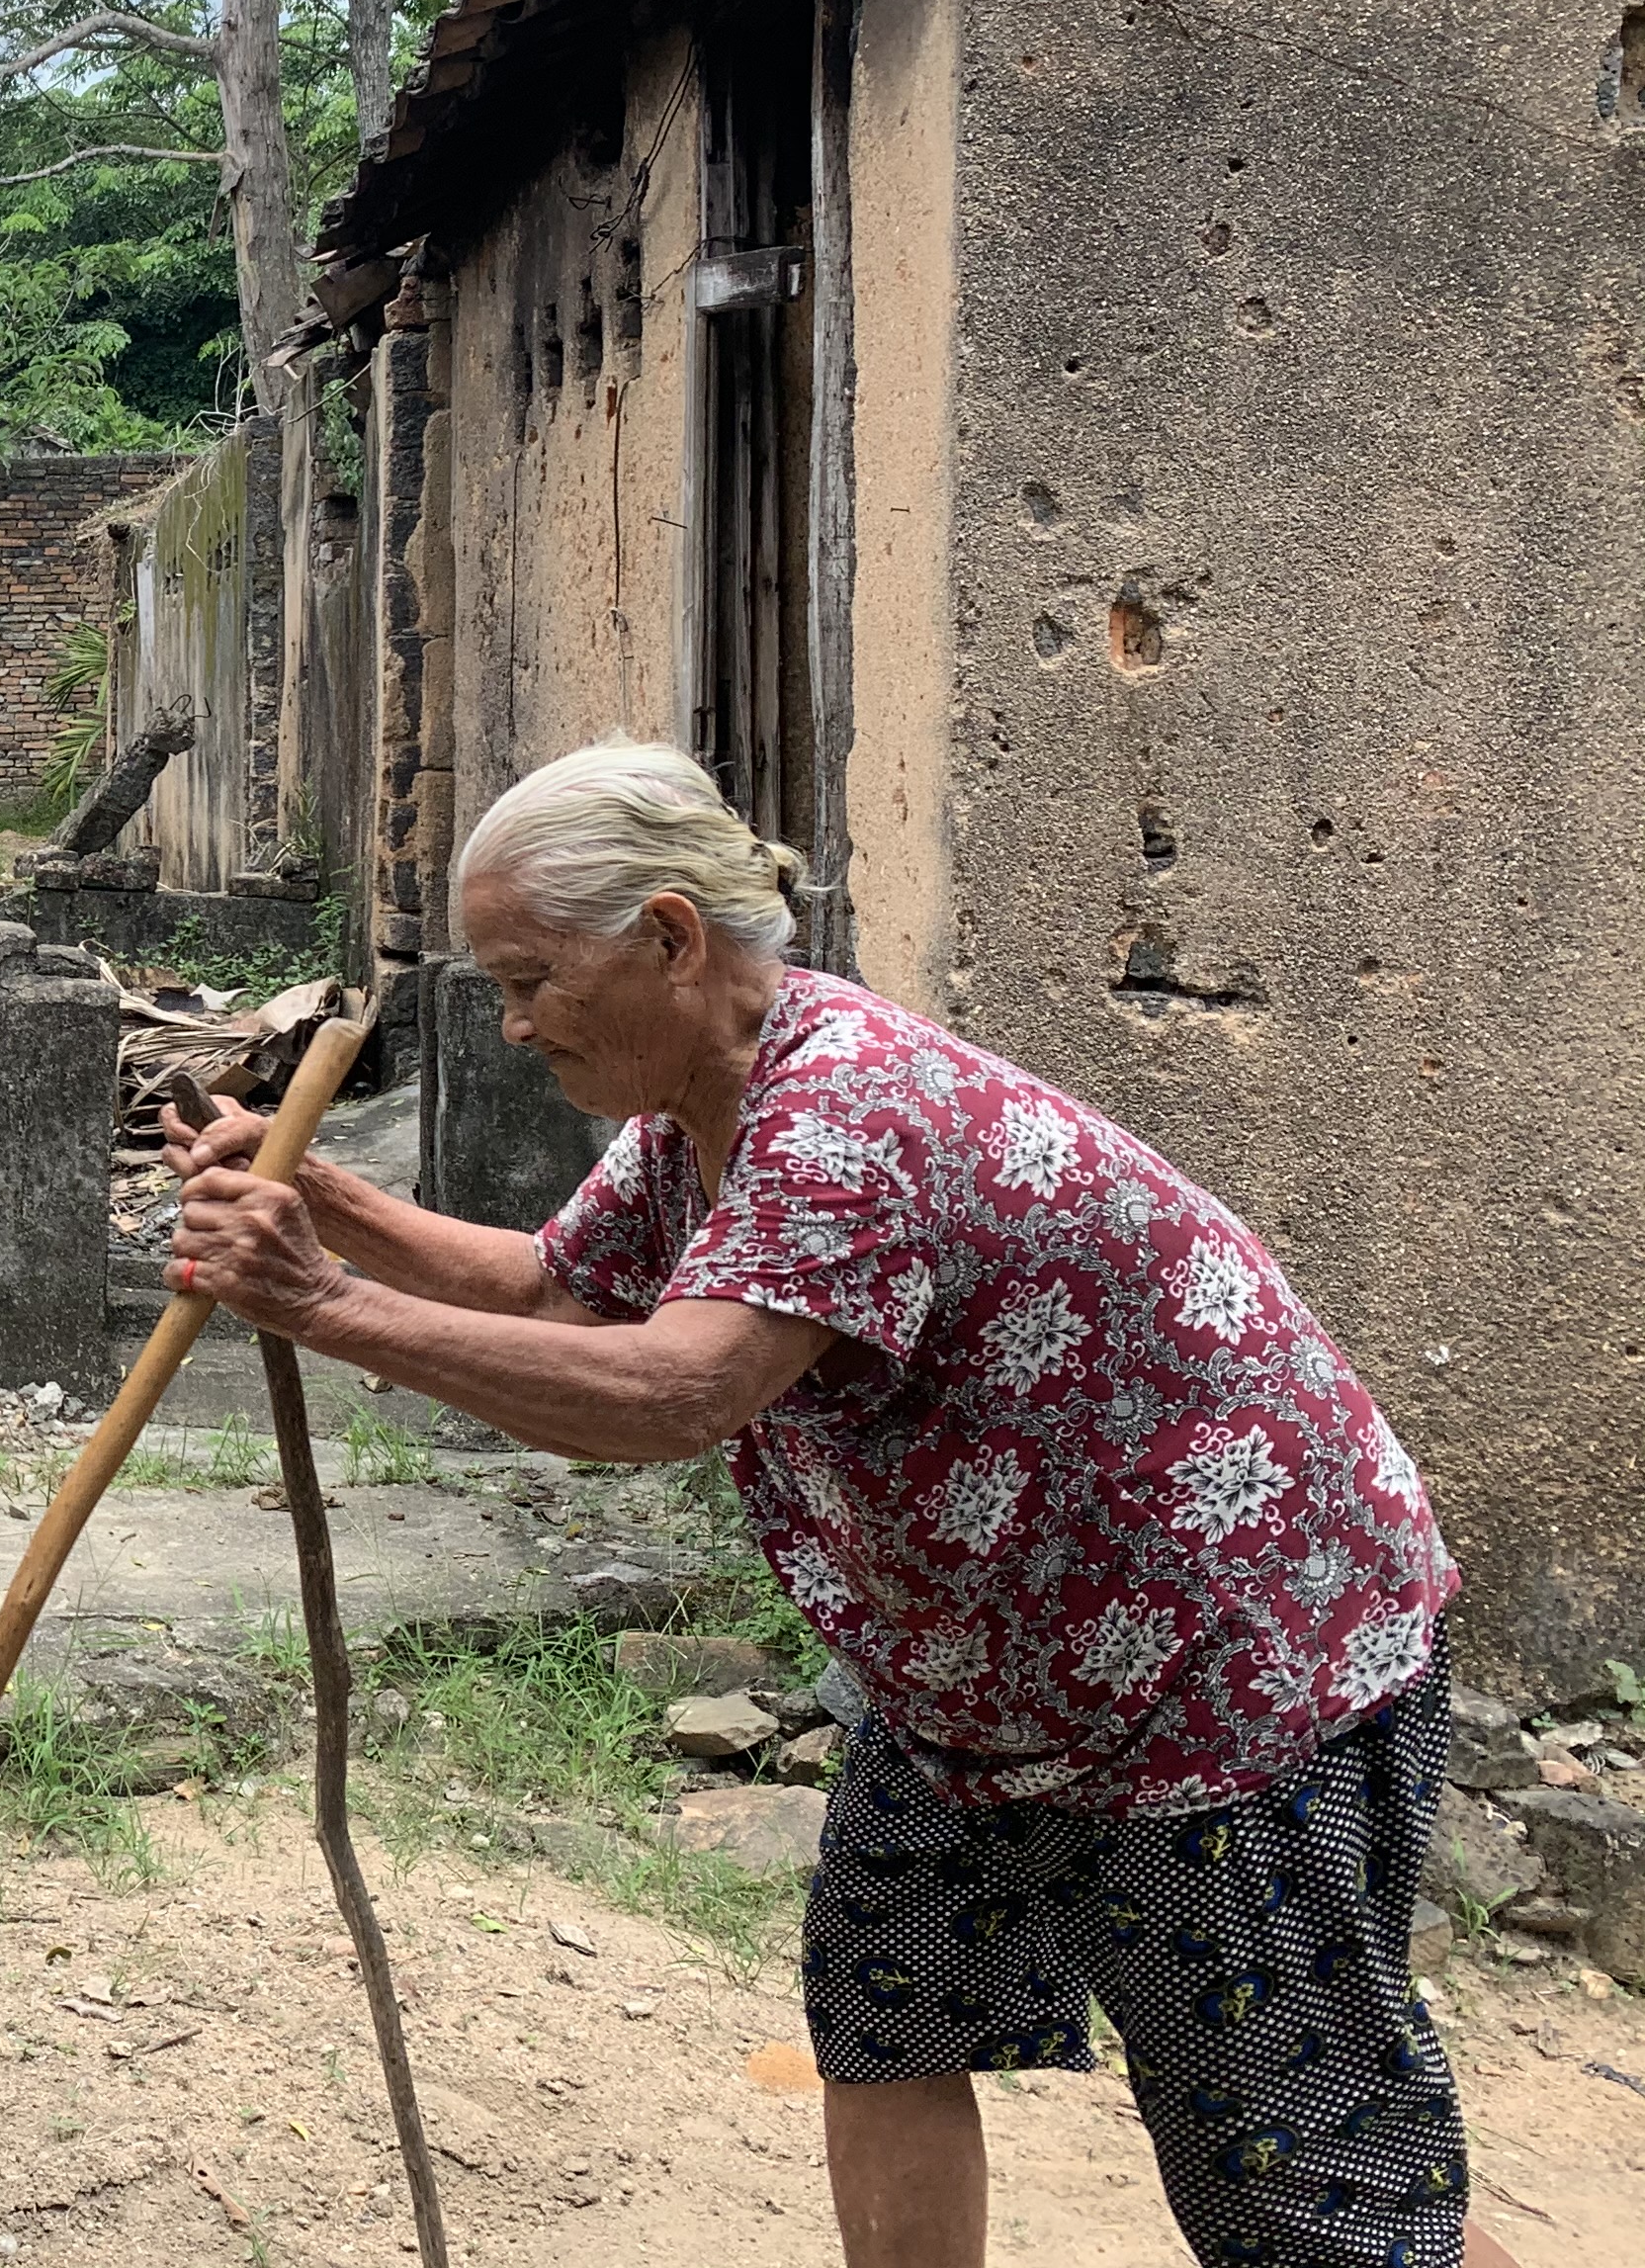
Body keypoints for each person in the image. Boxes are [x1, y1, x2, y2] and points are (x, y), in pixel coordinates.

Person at [164, 738, 1508, 2268]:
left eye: (531, 978)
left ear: (671, 937)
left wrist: (322, 1303)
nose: (516, 1021)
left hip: (1226, 1668)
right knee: (890, 2017)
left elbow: (679, 1390)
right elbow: (559, 1292)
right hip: (986, 1685)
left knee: (1316, 2190)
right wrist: (321, 1196)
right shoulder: (703, 1115)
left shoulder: (846, 1115)